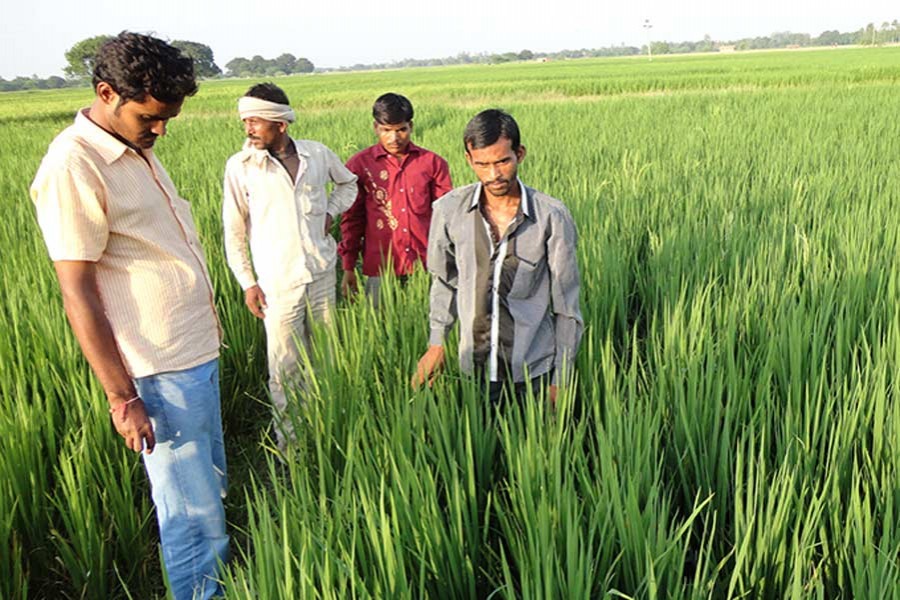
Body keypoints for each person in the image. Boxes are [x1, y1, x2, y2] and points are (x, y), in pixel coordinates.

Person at [30, 32, 228, 600]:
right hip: (157, 372)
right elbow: (78, 293)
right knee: (190, 512)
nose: (161, 128)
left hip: (192, 354)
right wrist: (123, 397)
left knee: (208, 491)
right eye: (150, 116)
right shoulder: (74, 162)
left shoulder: (136, 150)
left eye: (168, 118)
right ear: (106, 92)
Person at [412, 109, 583, 405]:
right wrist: (437, 343)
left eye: (503, 161)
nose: (494, 175)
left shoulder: (551, 216)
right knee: (478, 447)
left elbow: (567, 306)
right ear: (469, 159)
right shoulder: (449, 211)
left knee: (537, 448)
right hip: (473, 369)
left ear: (520, 153)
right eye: (483, 164)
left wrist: (562, 379)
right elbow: (444, 280)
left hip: (533, 372)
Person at [222, 83, 358, 448]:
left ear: (281, 124)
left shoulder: (317, 155)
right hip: (277, 284)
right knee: (284, 368)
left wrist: (329, 212)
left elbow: (349, 185)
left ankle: (328, 429)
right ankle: (291, 448)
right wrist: (247, 283)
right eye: (246, 121)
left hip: (321, 275)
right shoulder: (242, 168)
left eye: (256, 121)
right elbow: (233, 231)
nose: (249, 128)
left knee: (328, 358)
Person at [339, 93, 453, 306]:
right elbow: (352, 218)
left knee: (431, 326)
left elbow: (447, 218)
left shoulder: (432, 163)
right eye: (386, 130)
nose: (394, 138)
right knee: (383, 327)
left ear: (410, 126)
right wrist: (348, 266)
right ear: (376, 128)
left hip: (425, 265)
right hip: (381, 267)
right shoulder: (359, 165)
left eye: (401, 130)